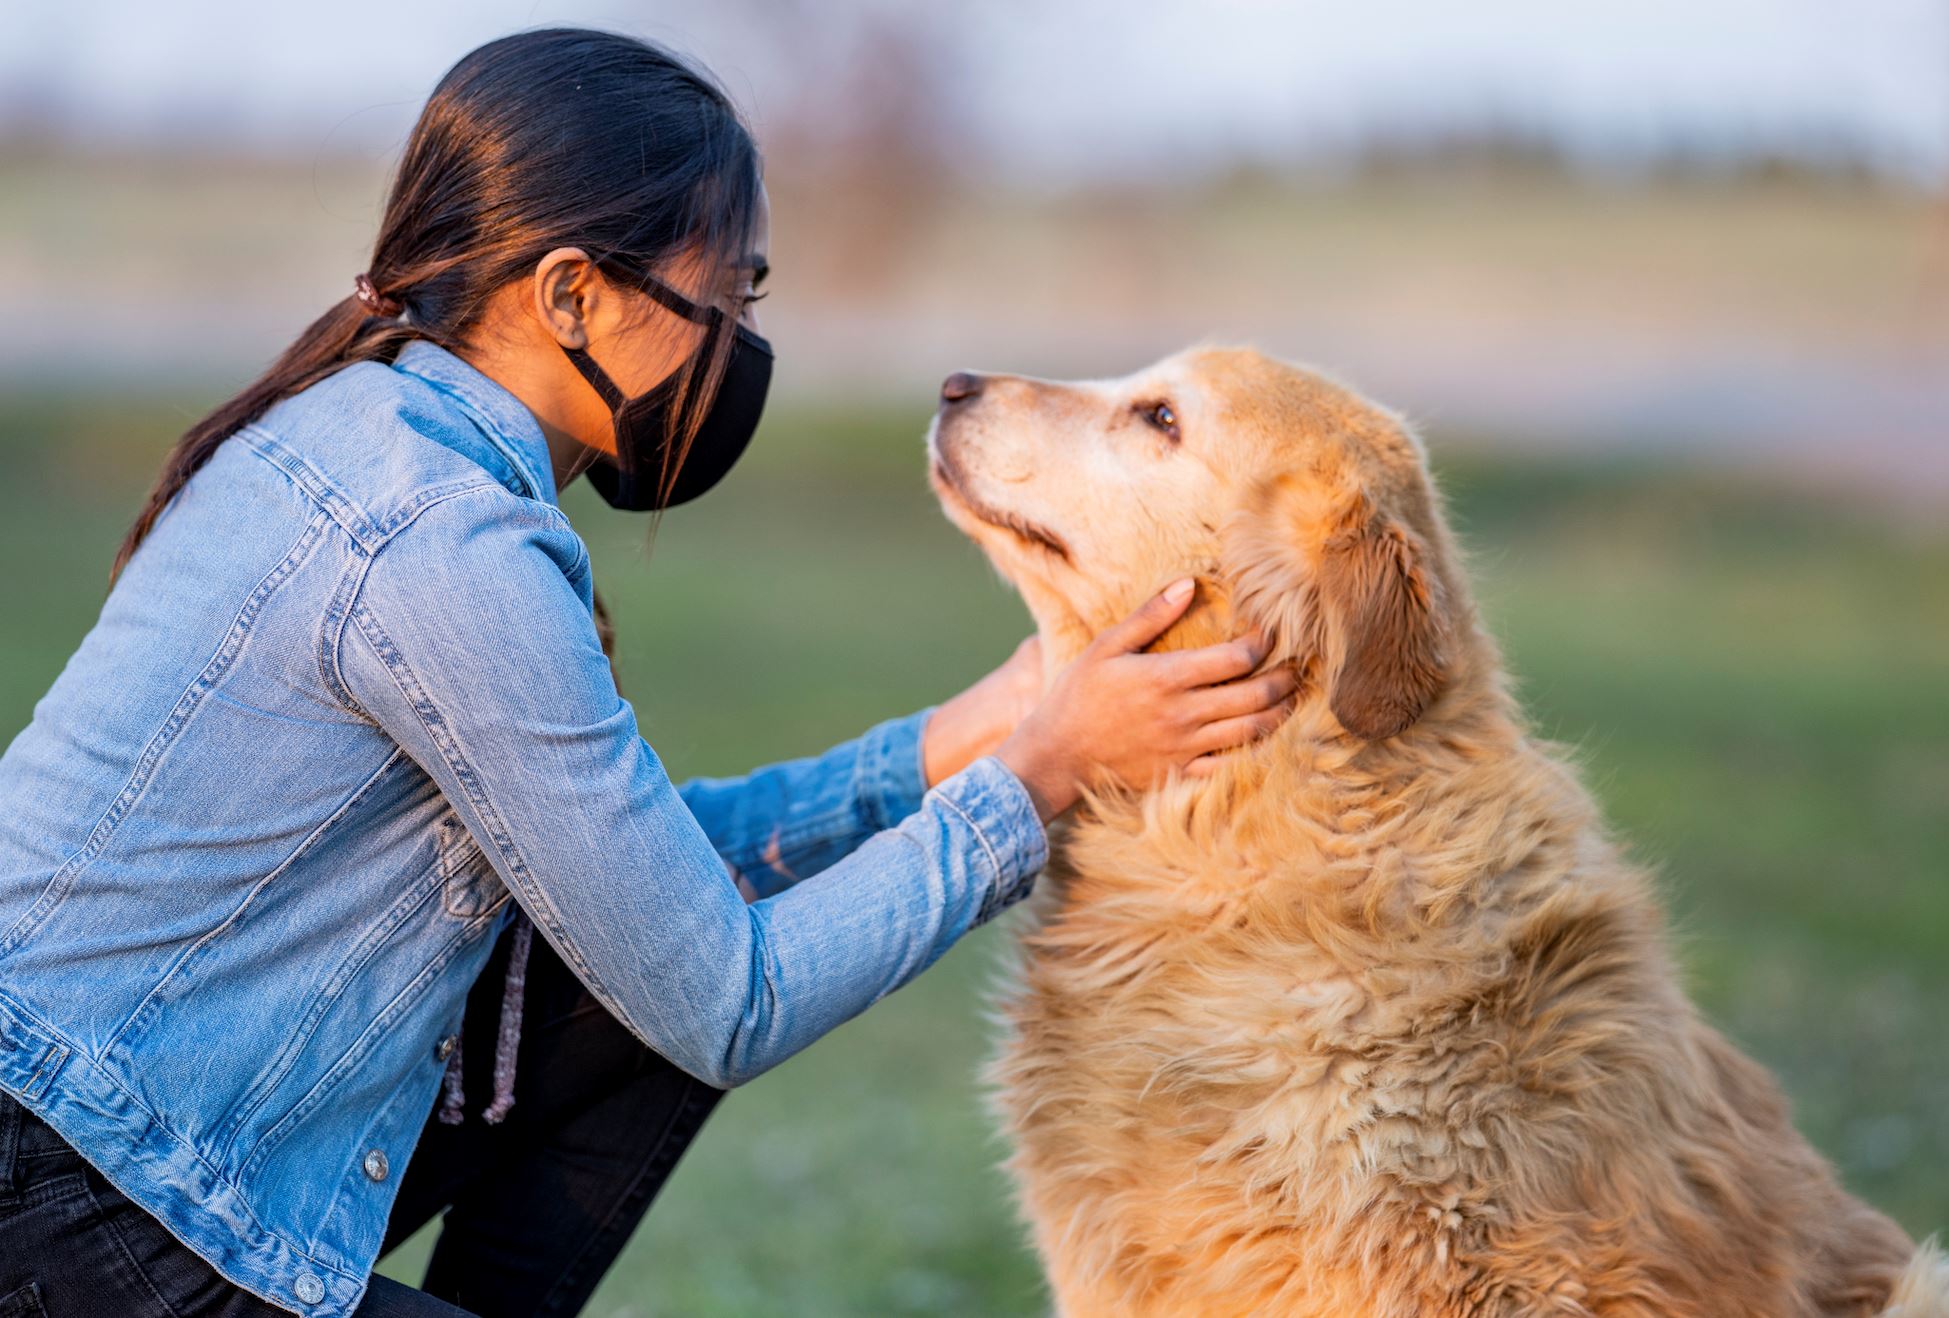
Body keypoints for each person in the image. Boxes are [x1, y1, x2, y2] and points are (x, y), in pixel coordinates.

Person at [0, 26, 1298, 1318]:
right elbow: (727, 997)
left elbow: (659, 905)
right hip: (71, 1197)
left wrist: (971, 733)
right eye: (724, 299)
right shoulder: (444, 549)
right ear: (571, 295)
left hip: (131, 1131)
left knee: (633, 983)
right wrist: (1042, 774)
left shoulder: (365, 428)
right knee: (682, 987)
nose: (736, 345)